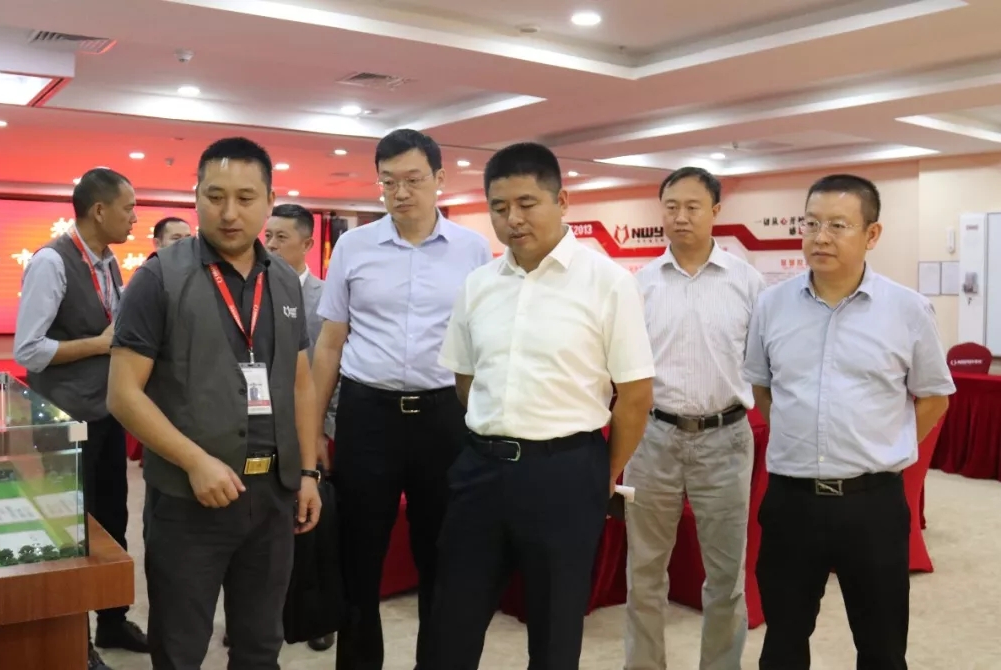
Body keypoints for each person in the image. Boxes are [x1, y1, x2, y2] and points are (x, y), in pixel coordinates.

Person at [431, 142, 656, 670]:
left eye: (526, 203)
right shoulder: (478, 285)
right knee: (450, 624)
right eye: (499, 207)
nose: (512, 219)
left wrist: (603, 472)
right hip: (480, 470)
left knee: (555, 633)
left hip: (565, 472)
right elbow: (466, 379)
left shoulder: (608, 283)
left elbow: (635, 396)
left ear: (562, 201)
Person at [107, 137, 322, 670]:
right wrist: (194, 461)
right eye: (215, 196)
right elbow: (123, 393)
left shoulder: (284, 281)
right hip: (189, 499)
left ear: (269, 200)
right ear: (196, 195)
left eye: (245, 198)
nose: (229, 213)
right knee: (180, 647)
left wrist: (308, 472)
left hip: (272, 497)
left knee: (260, 644)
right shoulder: (159, 278)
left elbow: (300, 383)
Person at [743, 174, 955, 670]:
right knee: (783, 644)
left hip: (872, 504)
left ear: (871, 234)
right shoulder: (771, 305)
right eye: (811, 223)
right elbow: (763, 387)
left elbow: (934, 397)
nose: (820, 237)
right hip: (792, 501)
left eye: (838, 225)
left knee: (882, 648)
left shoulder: (907, 309)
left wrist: (883, 444)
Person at [310, 128, 491, 670]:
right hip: (368, 416)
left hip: (443, 417)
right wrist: (313, 430)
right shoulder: (353, 246)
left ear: (439, 179)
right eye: (388, 182)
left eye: (413, 180)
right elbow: (329, 345)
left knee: (441, 554)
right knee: (358, 555)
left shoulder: (472, 249)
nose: (400, 192)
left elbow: (484, 343)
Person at [626, 167, 765, 670]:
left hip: (725, 440)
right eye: (671, 207)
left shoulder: (747, 282)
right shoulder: (639, 285)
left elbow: (765, 366)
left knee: (726, 577)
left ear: (715, 212)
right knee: (644, 573)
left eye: (692, 206)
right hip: (653, 438)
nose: (680, 216)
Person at [12, 167, 144, 670]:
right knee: (70, 528)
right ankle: (75, 641)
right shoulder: (51, 261)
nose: (134, 218)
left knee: (111, 519)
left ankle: (112, 618)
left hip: (106, 412)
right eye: (129, 208)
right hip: (64, 419)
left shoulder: (109, 262)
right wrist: (98, 344)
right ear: (99, 210)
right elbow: (29, 349)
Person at [264, 202, 339, 652]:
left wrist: (321, 431)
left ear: (308, 244)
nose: (271, 245)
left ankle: (315, 618)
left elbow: (337, 367)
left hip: (309, 430)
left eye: (282, 237)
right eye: (268, 237)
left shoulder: (326, 297)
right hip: (260, 430)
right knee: (259, 530)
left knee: (312, 527)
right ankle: (254, 617)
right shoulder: (252, 289)